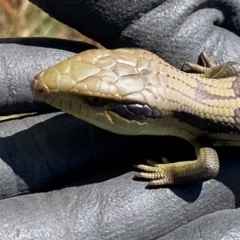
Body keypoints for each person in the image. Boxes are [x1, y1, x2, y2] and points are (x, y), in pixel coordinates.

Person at [0, 0, 239, 239]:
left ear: (144, 115)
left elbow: (208, 166)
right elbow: (231, 70)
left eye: (95, 101)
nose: (41, 86)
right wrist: (210, 76)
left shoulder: (202, 132)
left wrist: (169, 173)